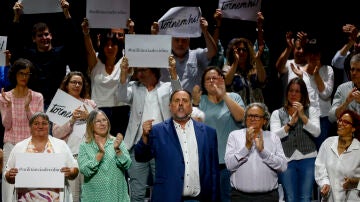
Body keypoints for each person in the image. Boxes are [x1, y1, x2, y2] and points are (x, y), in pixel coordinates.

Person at [134, 89, 219, 201]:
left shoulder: (209, 133)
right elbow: (141, 157)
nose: (180, 104)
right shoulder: (157, 131)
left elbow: (213, 172)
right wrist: (144, 137)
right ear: (170, 106)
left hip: (199, 198)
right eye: (176, 100)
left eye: (184, 100)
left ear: (191, 106)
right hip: (167, 197)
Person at [118, 55, 182, 202]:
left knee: (163, 188)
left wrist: (173, 71)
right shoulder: (134, 87)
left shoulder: (166, 87)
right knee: (137, 192)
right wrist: (123, 72)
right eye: (138, 70)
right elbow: (121, 96)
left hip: (162, 145)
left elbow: (180, 96)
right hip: (137, 145)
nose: (139, 73)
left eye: (143, 70)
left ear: (153, 71)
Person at [9, 0, 85, 110]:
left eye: (46, 34)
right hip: (34, 104)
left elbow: (74, 40)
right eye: (40, 35)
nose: (44, 38)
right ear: (34, 39)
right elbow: (14, 45)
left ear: (51, 36)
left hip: (58, 105)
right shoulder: (29, 55)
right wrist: (16, 16)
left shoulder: (60, 53)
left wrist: (67, 14)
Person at [192, 66, 245, 202]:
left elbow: (241, 117)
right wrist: (195, 104)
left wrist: (224, 95)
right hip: (206, 161)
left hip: (230, 161)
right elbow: (191, 127)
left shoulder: (234, 97)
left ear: (222, 79)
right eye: (207, 79)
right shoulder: (200, 100)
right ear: (203, 83)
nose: (211, 81)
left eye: (214, 78)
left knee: (228, 198)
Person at [4, 112, 79, 201]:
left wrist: (70, 172)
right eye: (36, 123)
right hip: (25, 198)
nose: (40, 126)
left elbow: (75, 169)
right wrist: (10, 175)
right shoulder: (19, 147)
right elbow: (7, 173)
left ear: (49, 126)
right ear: (30, 127)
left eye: (44, 123)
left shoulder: (61, 145)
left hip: (55, 198)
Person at [270, 77, 321, 202]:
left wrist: (303, 116)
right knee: (290, 197)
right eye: (291, 91)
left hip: (308, 157)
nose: (293, 94)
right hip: (287, 159)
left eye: (297, 91)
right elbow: (273, 137)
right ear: (287, 92)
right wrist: (290, 124)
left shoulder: (311, 111)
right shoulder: (277, 113)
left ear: (303, 94)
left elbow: (317, 132)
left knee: (305, 197)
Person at [0, 58, 44, 202]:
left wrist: (27, 107)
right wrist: (7, 106)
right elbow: (7, 125)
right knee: (9, 184)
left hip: (30, 146)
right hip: (11, 145)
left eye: (27, 74)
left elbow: (39, 126)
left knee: (29, 187)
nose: (24, 77)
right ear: (15, 74)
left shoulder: (37, 97)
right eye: (21, 73)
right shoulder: (5, 96)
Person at [225, 102, 287, 202]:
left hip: (268, 197)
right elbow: (229, 165)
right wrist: (246, 147)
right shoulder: (234, 136)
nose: (252, 119)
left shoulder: (273, 137)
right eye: (249, 116)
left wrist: (263, 151)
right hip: (240, 197)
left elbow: (283, 166)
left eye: (257, 116)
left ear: (264, 120)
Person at [81, 18, 131, 136]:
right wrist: (86, 33)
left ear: (118, 47)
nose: (109, 48)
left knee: (118, 148)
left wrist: (131, 30)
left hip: (121, 110)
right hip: (99, 110)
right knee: (100, 145)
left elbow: (132, 48)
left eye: (113, 45)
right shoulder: (96, 62)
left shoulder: (124, 62)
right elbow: (89, 50)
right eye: (106, 45)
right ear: (102, 47)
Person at [52, 71, 96, 202]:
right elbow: (56, 134)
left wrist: (88, 117)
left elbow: (101, 127)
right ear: (66, 85)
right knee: (73, 197)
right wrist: (71, 120)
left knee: (90, 196)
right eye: (73, 82)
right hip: (71, 157)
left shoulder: (90, 104)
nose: (77, 85)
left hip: (90, 156)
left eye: (80, 83)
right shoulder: (60, 103)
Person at [152, 16, 217, 93]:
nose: (180, 43)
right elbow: (149, 58)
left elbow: (212, 52)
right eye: (177, 40)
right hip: (167, 102)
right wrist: (154, 36)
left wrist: (205, 31)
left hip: (192, 103)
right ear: (171, 40)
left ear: (189, 40)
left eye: (184, 40)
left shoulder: (197, 55)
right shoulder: (162, 56)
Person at [77, 109, 131, 202]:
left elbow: (127, 164)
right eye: (98, 121)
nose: (102, 123)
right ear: (91, 125)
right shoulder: (84, 146)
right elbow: (85, 170)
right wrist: (100, 154)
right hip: (94, 197)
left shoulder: (117, 142)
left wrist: (118, 150)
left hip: (117, 197)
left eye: (104, 120)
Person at [291, 38, 334, 149]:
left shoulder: (328, 70)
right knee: (307, 150)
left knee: (321, 150)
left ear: (320, 55)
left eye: (316, 53)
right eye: (310, 53)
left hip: (323, 118)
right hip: (305, 117)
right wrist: (300, 78)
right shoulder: (299, 71)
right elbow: (295, 97)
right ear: (305, 55)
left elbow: (326, 94)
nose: (313, 56)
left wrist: (317, 75)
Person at [315, 109, 360, 201]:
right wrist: (325, 183)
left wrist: (355, 182)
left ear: (353, 128)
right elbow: (320, 168)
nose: (340, 123)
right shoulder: (327, 143)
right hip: (330, 198)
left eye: (346, 122)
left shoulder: (358, 148)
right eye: (340, 120)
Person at [222, 12, 266, 106]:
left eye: (244, 50)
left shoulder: (254, 68)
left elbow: (262, 80)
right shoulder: (227, 68)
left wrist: (257, 60)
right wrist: (236, 61)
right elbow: (226, 82)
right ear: (233, 52)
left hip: (256, 111)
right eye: (238, 50)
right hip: (237, 114)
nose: (241, 52)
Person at [275, 31, 308, 102]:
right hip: (289, 106)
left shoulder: (311, 65)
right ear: (294, 49)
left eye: (304, 48)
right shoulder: (288, 63)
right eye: (298, 48)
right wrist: (288, 48)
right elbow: (278, 67)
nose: (301, 51)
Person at [329, 53, 360, 123]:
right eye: (352, 69)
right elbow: (331, 117)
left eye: (358, 70)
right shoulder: (342, 88)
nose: (354, 73)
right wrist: (346, 102)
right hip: (346, 132)